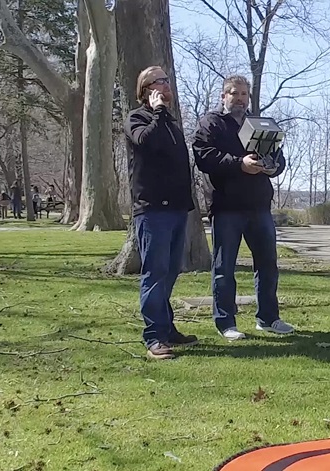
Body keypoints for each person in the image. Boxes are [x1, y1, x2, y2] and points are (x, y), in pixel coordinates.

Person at [192, 74, 295, 341]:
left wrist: (274, 166)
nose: (239, 99)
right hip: (227, 207)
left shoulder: (259, 124)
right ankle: (226, 323)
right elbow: (205, 157)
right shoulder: (211, 123)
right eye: (234, 93)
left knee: (268, 265)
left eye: (244, 95)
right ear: (223, 96)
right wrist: (240, 163)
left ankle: (268, 318)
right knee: (225, 267)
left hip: (259, 205)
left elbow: (278, 157)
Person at [124, 65, 198, 360]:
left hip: (177, 208)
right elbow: (146, 142)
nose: (168, 86)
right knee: (154, 273)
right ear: (147, 89)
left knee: (169, 272)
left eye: (168, 81)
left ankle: (167, 328)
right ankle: (154, 336)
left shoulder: (170, 122)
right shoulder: (137, 118)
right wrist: (157, 112)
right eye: (161, 82)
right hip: (152, 209)